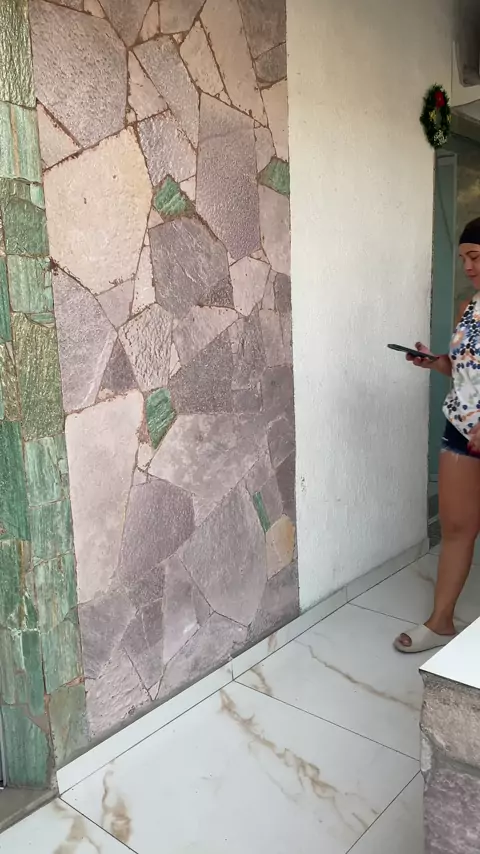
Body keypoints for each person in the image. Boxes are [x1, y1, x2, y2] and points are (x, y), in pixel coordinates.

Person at [395, 217, 480, 653]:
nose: (467, 267)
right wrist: (435, 362)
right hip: (461, 429)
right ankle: (441, 621)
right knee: (457, 527)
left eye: (475, 257)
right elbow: (464, 369)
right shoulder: (470, 308)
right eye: (463, 258)